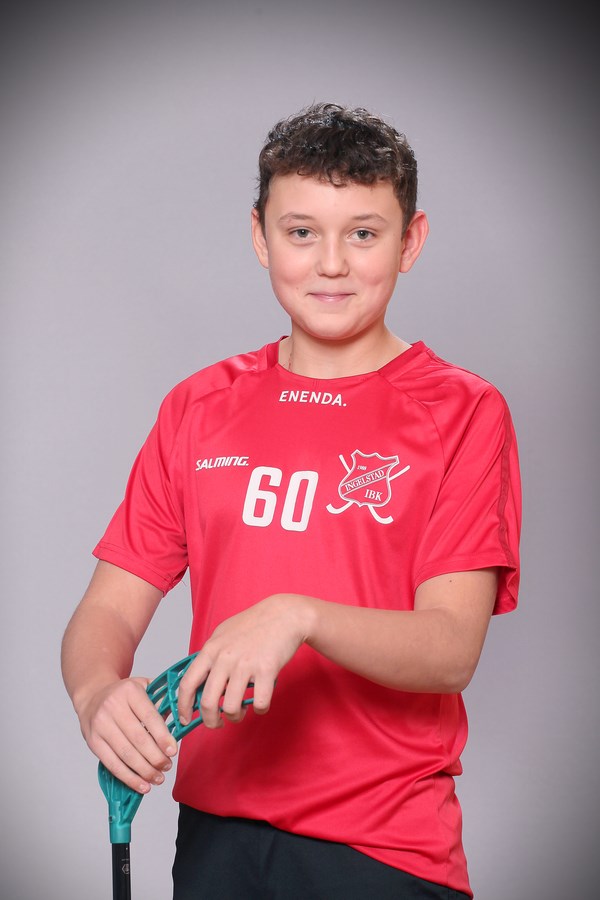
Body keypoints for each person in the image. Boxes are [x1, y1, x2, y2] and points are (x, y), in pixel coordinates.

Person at [61, 102, 521, 899]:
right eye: (302, 232)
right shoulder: (199, 406)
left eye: (364, 234)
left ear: (410, 242)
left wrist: (298, 615)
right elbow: (107, 608)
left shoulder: (463, 411)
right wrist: (97, 692)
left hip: (382, 846)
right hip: (214, 837)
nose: (331, 264)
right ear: (260, 237)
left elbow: (452, 648)